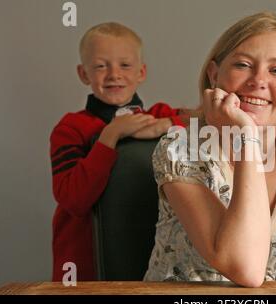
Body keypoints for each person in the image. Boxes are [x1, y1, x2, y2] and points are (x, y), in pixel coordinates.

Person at [144, 12, 276, 287]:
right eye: (243, 65)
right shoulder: (180, 149)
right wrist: (247, 137)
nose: (258, 80)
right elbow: (245, 267)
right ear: (214, 75)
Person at [49, 22, 188, 281]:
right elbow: (73, 200)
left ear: (141, 72)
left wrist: (168, 125)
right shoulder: (70, 128)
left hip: (153, 257)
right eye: (101, 66)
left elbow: (207, 123)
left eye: (124, 65)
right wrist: (110, 136)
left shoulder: (159, 115)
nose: (114, 74)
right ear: (83, 74)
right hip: (85, 268)